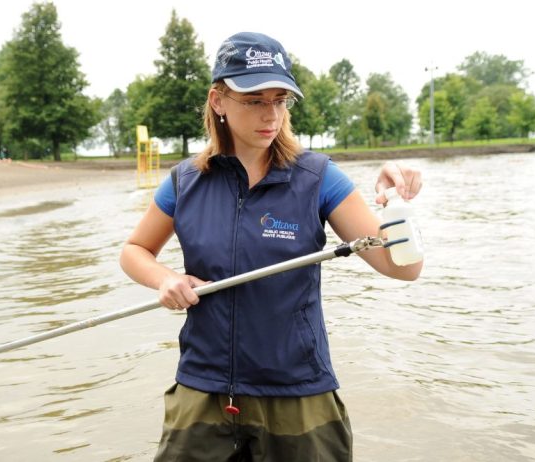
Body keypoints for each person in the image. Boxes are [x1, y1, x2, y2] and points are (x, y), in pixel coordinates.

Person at [120, 31, 423, 461]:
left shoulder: (319, 178)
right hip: (202, 390)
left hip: (298, 395)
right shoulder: (185, 181)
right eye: (255, 100)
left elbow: (402, 268)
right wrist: (165, 279)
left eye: (280, 100)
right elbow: (134, 250)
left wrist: (392, 204)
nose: (271, 114)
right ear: (218, 100)